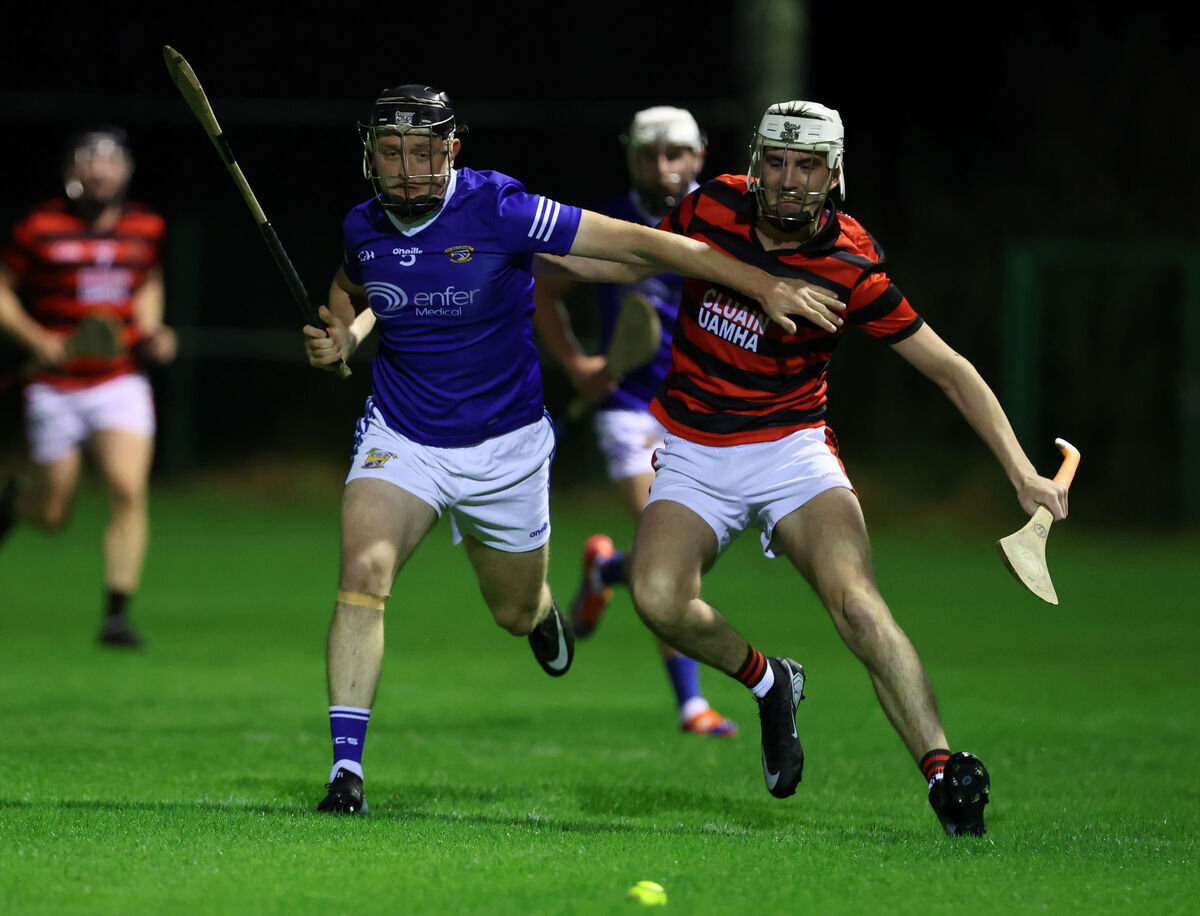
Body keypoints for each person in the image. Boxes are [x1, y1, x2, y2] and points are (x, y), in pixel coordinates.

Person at [300, 86, 842, 814]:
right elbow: (351, 288)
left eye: (423, 151)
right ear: (370, 153)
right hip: (403, 436)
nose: (406, 167)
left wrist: (759, 281)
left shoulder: (500, 208)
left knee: (513, 611)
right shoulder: (362, 225)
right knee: (364, 569)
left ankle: (544, 610)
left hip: (506, 448)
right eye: (392, 151)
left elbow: (641, 244)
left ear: (452, 150)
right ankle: (346, 774)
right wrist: (344, 339)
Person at [615, 100, 1070, 836]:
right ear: (756, 161)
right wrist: (517, 246)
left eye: (809, 165)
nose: (790, 181)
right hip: (696, 449)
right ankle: (770, 681)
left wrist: (1021, 471)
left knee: (857, 601)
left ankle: (942, 771)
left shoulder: (852, 261)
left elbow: (951, 369)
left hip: (792, 449)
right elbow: (627, 251)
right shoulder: (709, 207)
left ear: (835, 172)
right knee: (659, 599)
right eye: (777, 161)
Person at [532, 106, 736, 738]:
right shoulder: (605, 225)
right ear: (632, 158)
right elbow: (540, 286)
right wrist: (575, 363)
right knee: (668, 561)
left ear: (700, 156)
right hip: (630, 413)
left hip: (708, 414)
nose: (664, 168)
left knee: (690, 554)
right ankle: (691, 704)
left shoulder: (730, 223)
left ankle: (603, 572)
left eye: (676, 154)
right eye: (650, 155)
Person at [0, 127, 177, 648]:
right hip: (54, 385)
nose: (99, 170)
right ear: (72, 171)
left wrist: (152, 333)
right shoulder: (39, 227)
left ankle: (116, 616)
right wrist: (37, 338)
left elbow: (146, 281)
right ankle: (13, 502)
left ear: (125, 170)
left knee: (127, 488)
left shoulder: (147, 226)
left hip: (119, 379)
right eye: (88, 161)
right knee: (53, 514)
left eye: (110, 161)